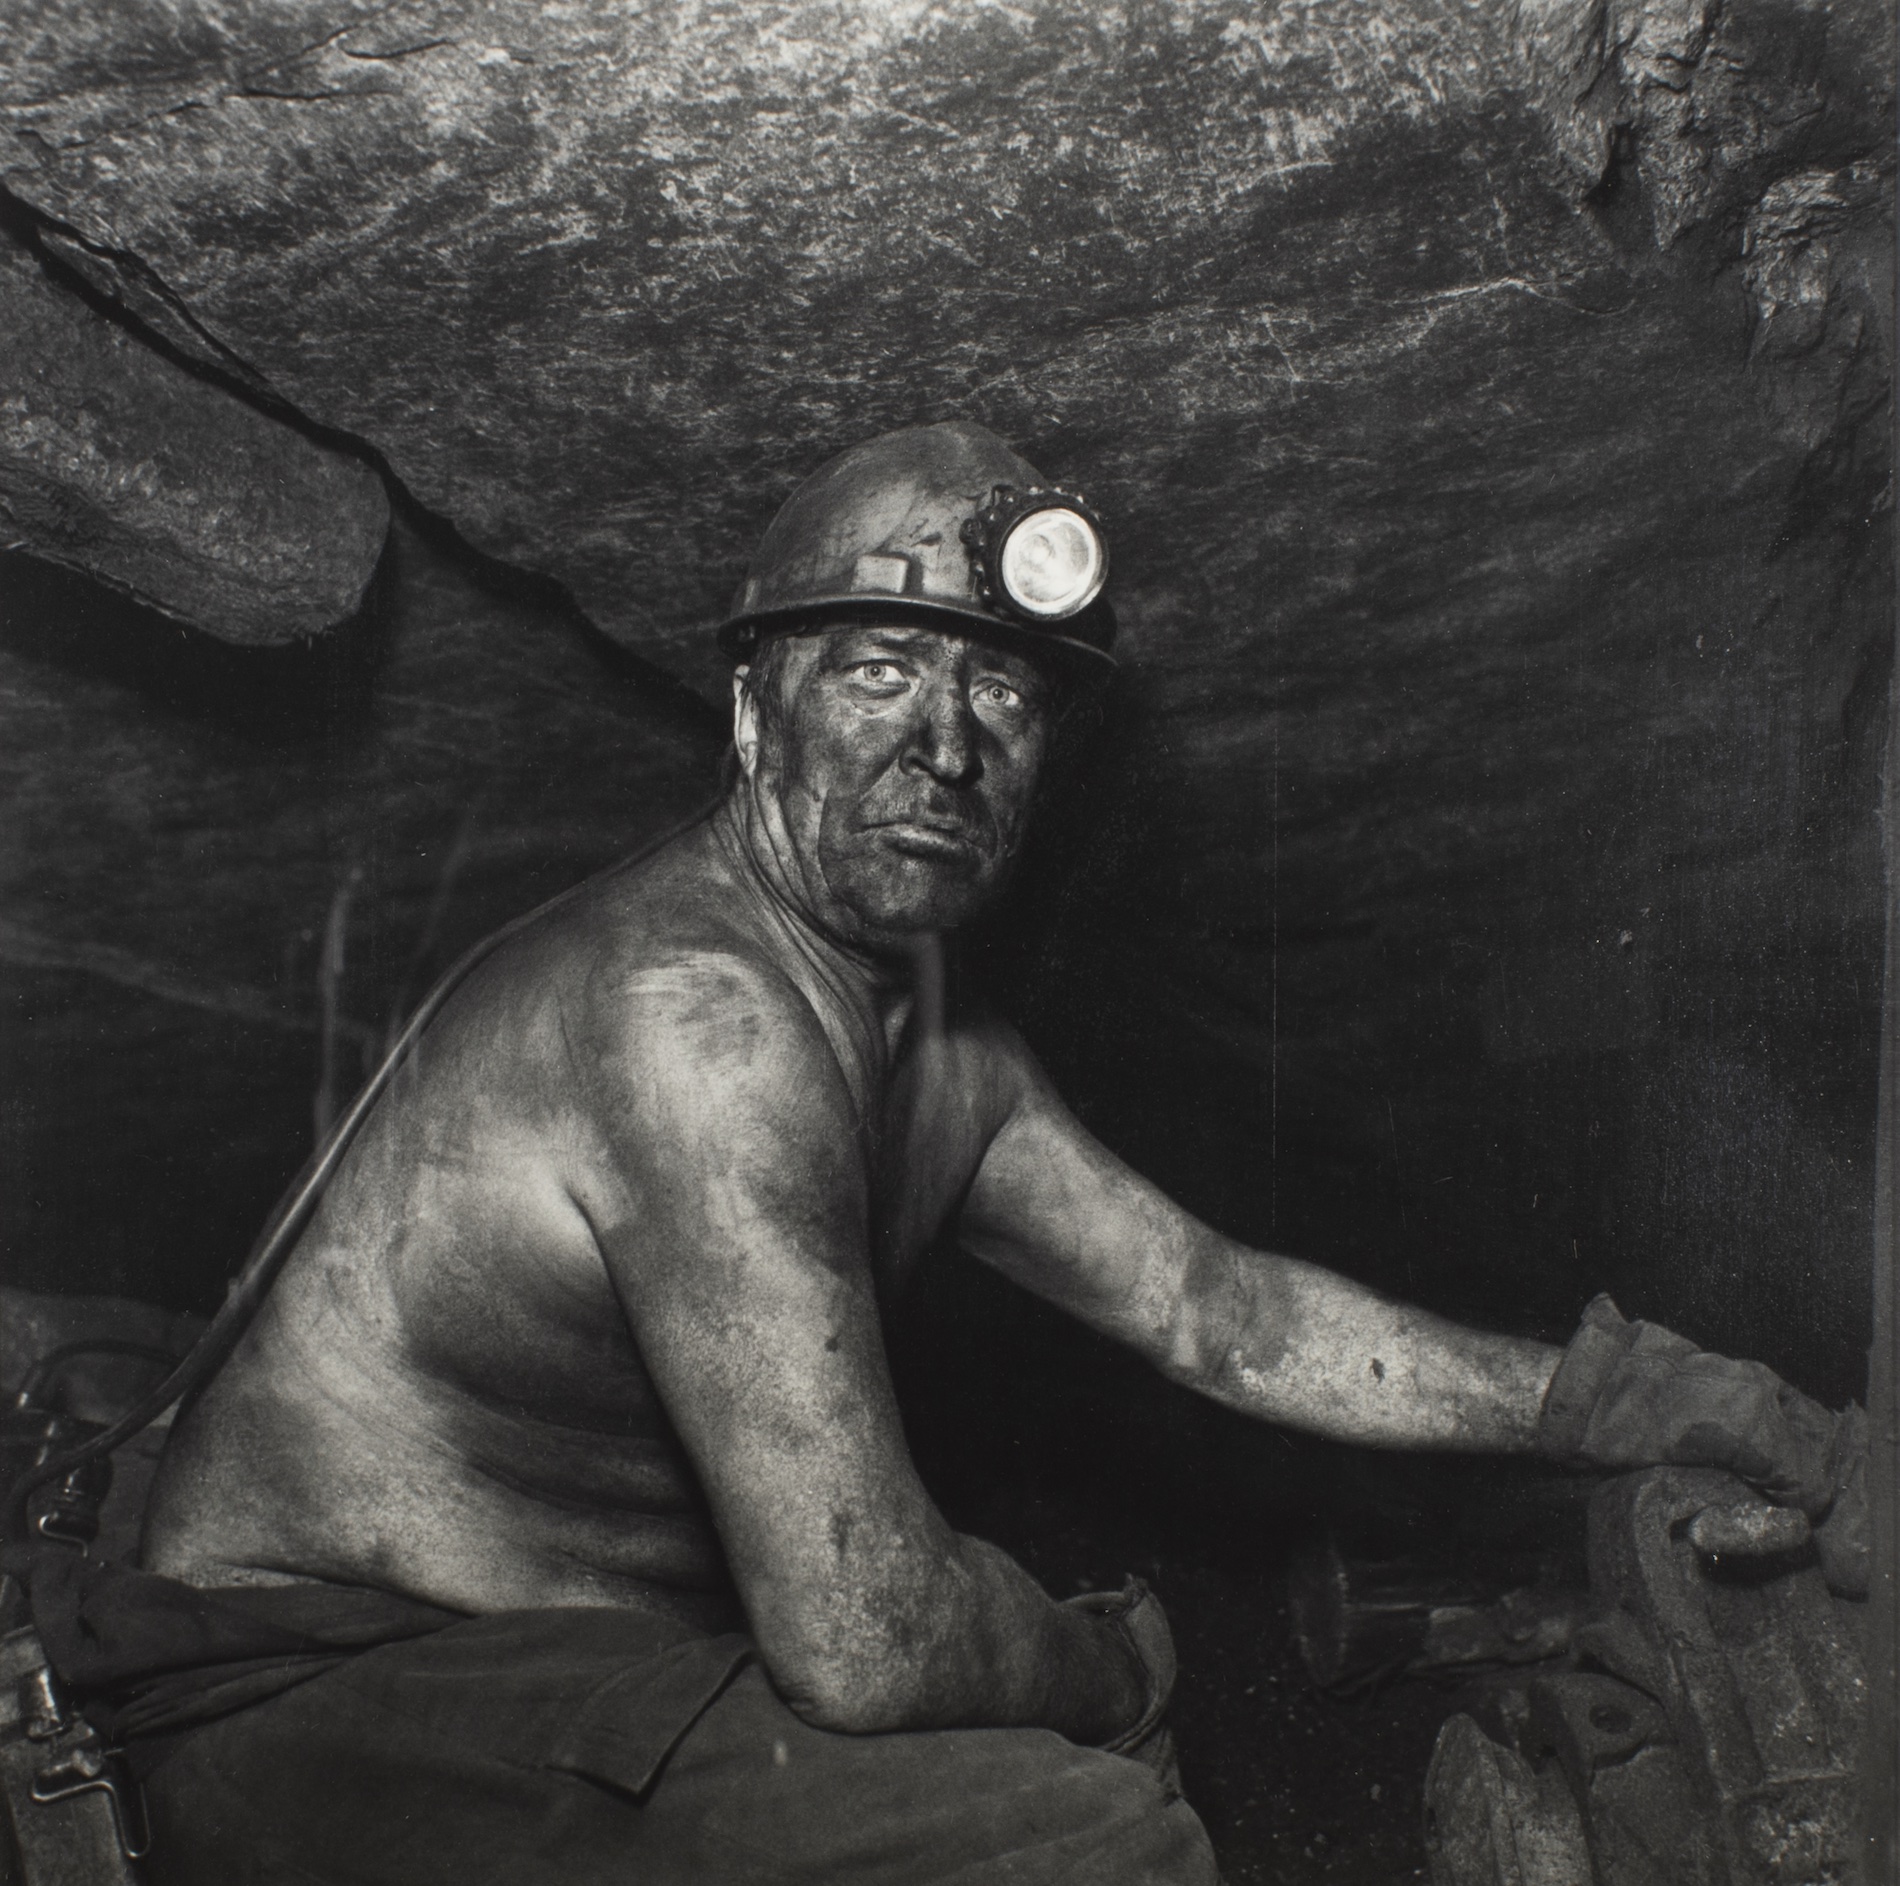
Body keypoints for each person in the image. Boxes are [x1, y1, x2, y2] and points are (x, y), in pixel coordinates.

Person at [21, 421, 1866, 1885]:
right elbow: (869, 1639)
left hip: (533, 1662)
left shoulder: (935, 1037)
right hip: (305, 1692)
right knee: (1085, 1840)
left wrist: (1642, 1393)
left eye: (1003, 695)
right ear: (753, 714)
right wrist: (1112, 1660)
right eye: (881, 669)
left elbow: (1219, 1310)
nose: (948, 743)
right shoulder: (702, 1022)